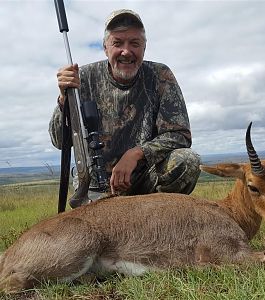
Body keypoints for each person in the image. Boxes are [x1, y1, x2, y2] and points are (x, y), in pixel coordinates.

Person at [49, 9, 201, 206]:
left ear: (144, 48)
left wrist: (136, 154)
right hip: (97, 184)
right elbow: (59, 141)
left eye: (134, 43)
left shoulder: (160, 75)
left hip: (144, 178)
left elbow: (180, 135)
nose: (126, 51)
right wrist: (64, 98)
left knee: (186, 161)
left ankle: (159, 225)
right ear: (105, 48)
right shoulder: (82, 78)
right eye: (118, 43)